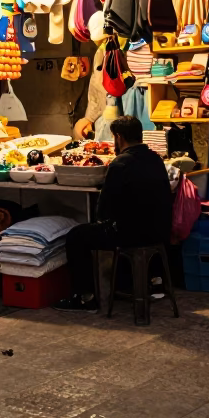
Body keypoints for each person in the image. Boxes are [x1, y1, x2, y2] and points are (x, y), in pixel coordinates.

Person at [54, 114, 173, 313]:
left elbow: (103, 211)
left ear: (118, 137)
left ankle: (85, 298)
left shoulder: (120, 164)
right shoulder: (156, 160)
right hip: (159, 233)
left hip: (131, 236)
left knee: (76, 236)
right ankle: (129, 283)